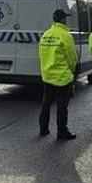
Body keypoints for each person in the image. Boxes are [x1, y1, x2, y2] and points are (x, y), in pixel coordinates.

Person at [38, 8, 78, 140]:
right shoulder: (65, 35)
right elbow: (72, 57)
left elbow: (41, 54)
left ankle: (43, 129)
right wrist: (72, 71)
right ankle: (62, 131)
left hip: (47, 75)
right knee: (62, 106)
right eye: (65, 18)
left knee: (46, 104)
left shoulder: (46, 34)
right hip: (63, 77)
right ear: (63, 19)